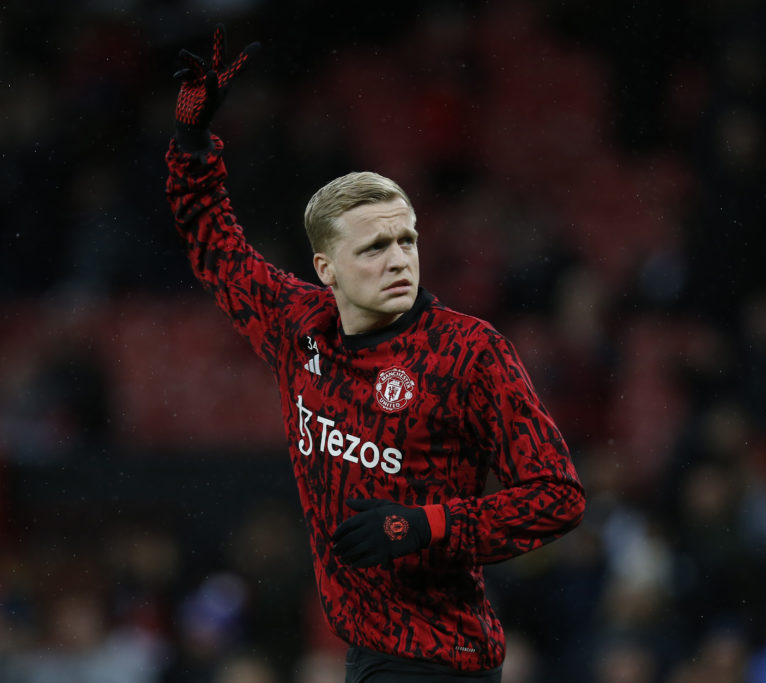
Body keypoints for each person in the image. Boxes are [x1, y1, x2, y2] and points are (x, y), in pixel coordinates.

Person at [164, 26, 585, 682]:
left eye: (406, 239)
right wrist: (192, 140)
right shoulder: (296, 324)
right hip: (366, 653)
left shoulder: (469, 354)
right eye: (374, 247)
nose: (398, 259)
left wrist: (427, 525)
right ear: (326, 267)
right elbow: (215, 243)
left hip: (441, 659)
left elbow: (557, 496)